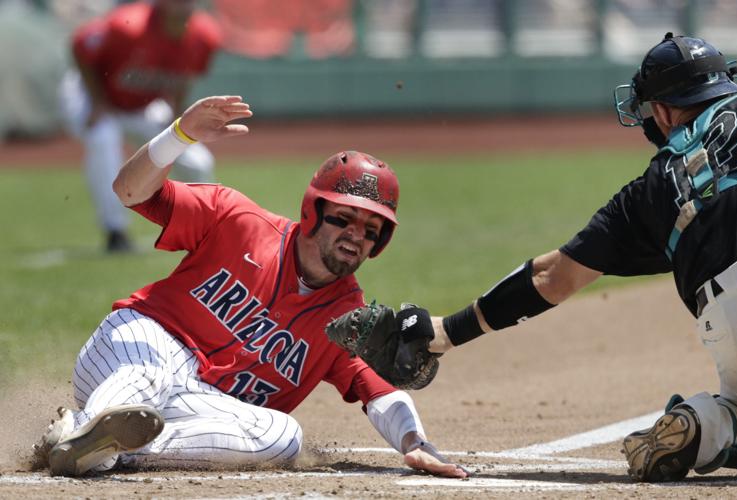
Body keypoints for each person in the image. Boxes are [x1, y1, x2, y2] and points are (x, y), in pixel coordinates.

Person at [356, 33, 737, 482]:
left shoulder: (643, 196)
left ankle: (706, 424)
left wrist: (443, 332)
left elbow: (551, 277)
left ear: (664, 112)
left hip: (727, 330)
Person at [33, 95, 467, 479]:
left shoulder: (345, 319)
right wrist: (179, 135)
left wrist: (414, 443)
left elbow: (378, 392)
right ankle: (91, 429)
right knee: (149, 375)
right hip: (139, 346)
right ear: (313, 212)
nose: (356, 235)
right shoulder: (235, 219)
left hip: (195, 407)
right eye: (343, 218)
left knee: (283, 435)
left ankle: (96, 448)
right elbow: (129, 191)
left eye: (372, 229)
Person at [59, 0, 221, 252]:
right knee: (103, 139)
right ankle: (115, 232)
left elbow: (183, 77)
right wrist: (98, 103)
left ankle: (208, 228)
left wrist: (179, 118)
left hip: (142, 105)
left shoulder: (205, 36)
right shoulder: (129, 25)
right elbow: (81, 44)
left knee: (197, 161)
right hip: (91, 96)